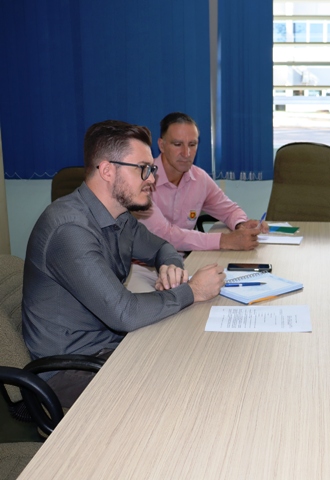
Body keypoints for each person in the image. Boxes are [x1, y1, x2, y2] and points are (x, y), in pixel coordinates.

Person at [22, 120, 226, 408]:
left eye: (151, 169)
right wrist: (193, 291)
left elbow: (161, 247)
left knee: (196, 354)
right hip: (70, 369)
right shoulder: (70, 230)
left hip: (108, 346)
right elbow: (125, 313)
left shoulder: (118, 216)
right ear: (107, 170)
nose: (152, 178)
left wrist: (170, 265)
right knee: (186, 391)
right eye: (143, 168)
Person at [135, 112, 268, 252]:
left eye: (192, 144)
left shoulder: (199, 178)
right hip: (144, 262)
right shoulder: (142, 180)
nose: (186, 153)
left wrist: (241, 225)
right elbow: (164, 235)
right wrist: (225, 240)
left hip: (182, 259)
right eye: (177, 144)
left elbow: (229, 210)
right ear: (162, 145)